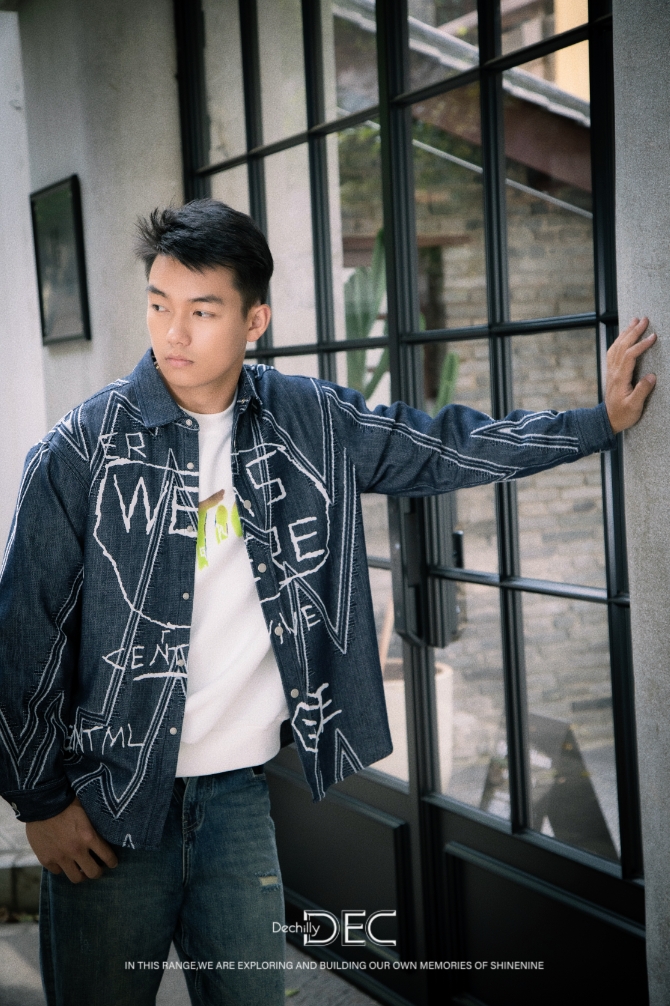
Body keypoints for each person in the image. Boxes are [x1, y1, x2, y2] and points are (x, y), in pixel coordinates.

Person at [0, 199, 656, 1006]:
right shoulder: (83, 448)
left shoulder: (308, 420)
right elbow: (24, 632)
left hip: (236, 799)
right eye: (159, 306)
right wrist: (39, 801)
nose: (173, 333)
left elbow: (442, 447)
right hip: (107, 800)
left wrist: (598, 421)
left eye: (202, 311)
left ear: (254, 320)